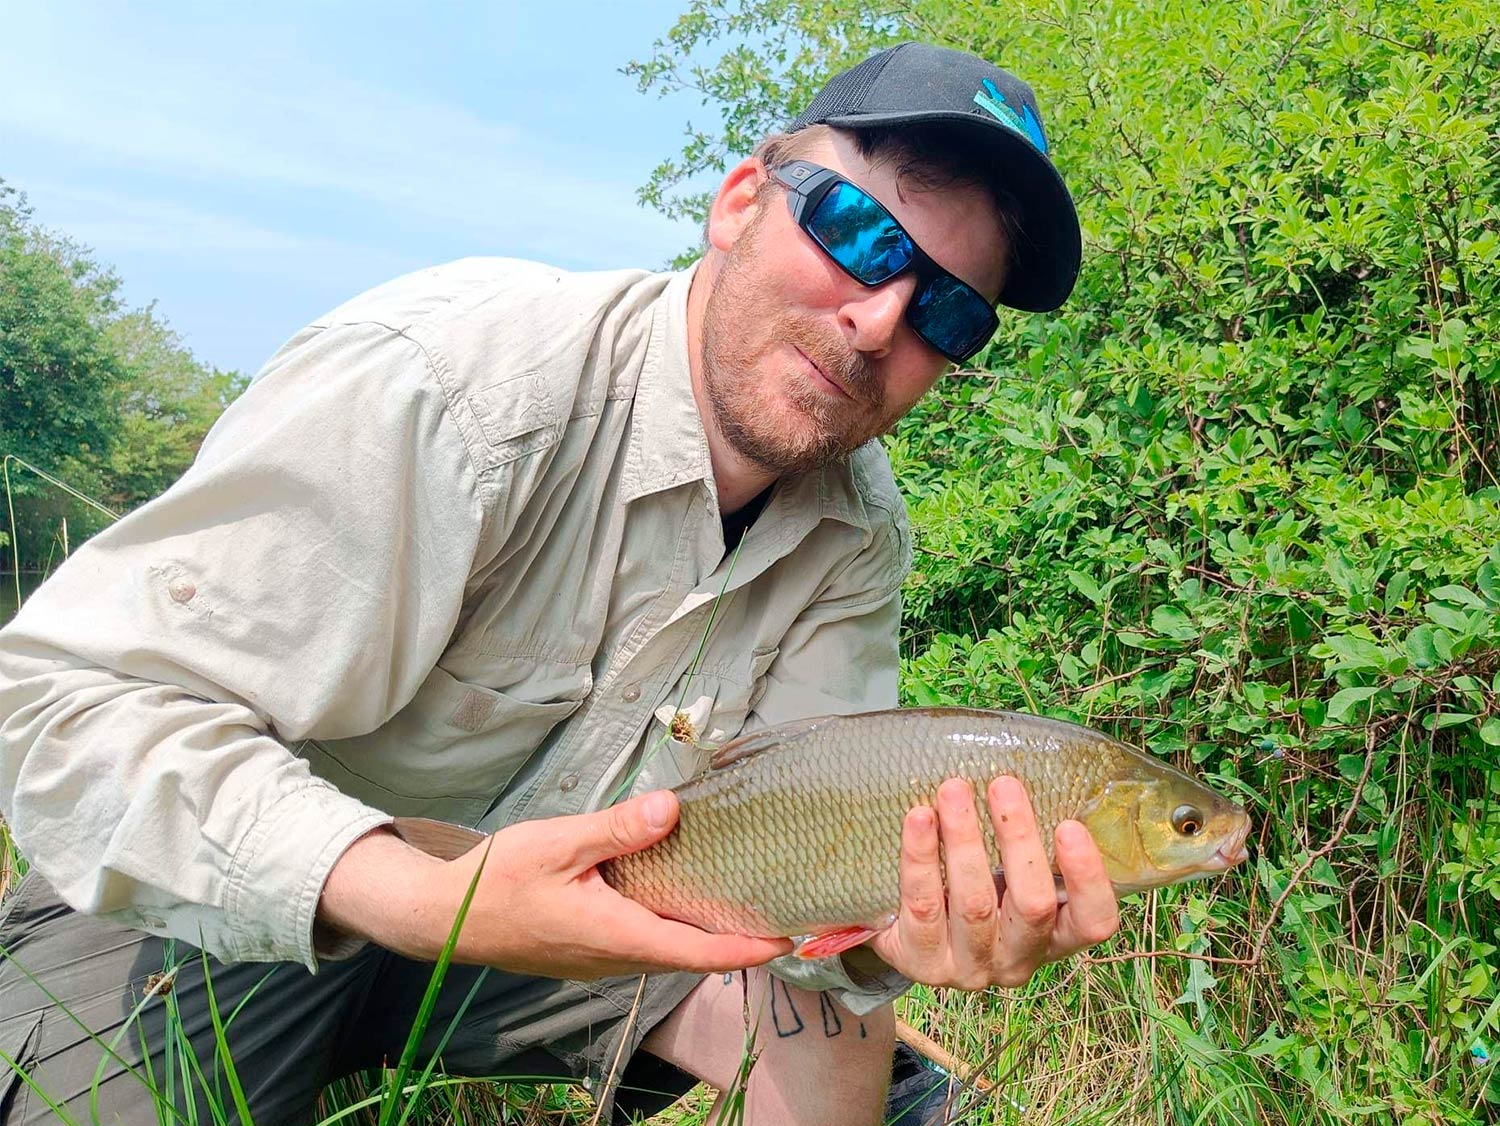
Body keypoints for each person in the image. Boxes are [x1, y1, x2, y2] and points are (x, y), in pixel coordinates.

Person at [0, 41, 1120, 1126]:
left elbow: (810, 867)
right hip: (214, 899)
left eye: (947, 312)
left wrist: (882, 939)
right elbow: (61, 712)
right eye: (859, 234)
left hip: (565, 916)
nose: (880, 319)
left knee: (824, 1019)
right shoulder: (455, 377)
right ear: (739, 200)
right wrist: (432, 899)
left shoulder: (859, 538)